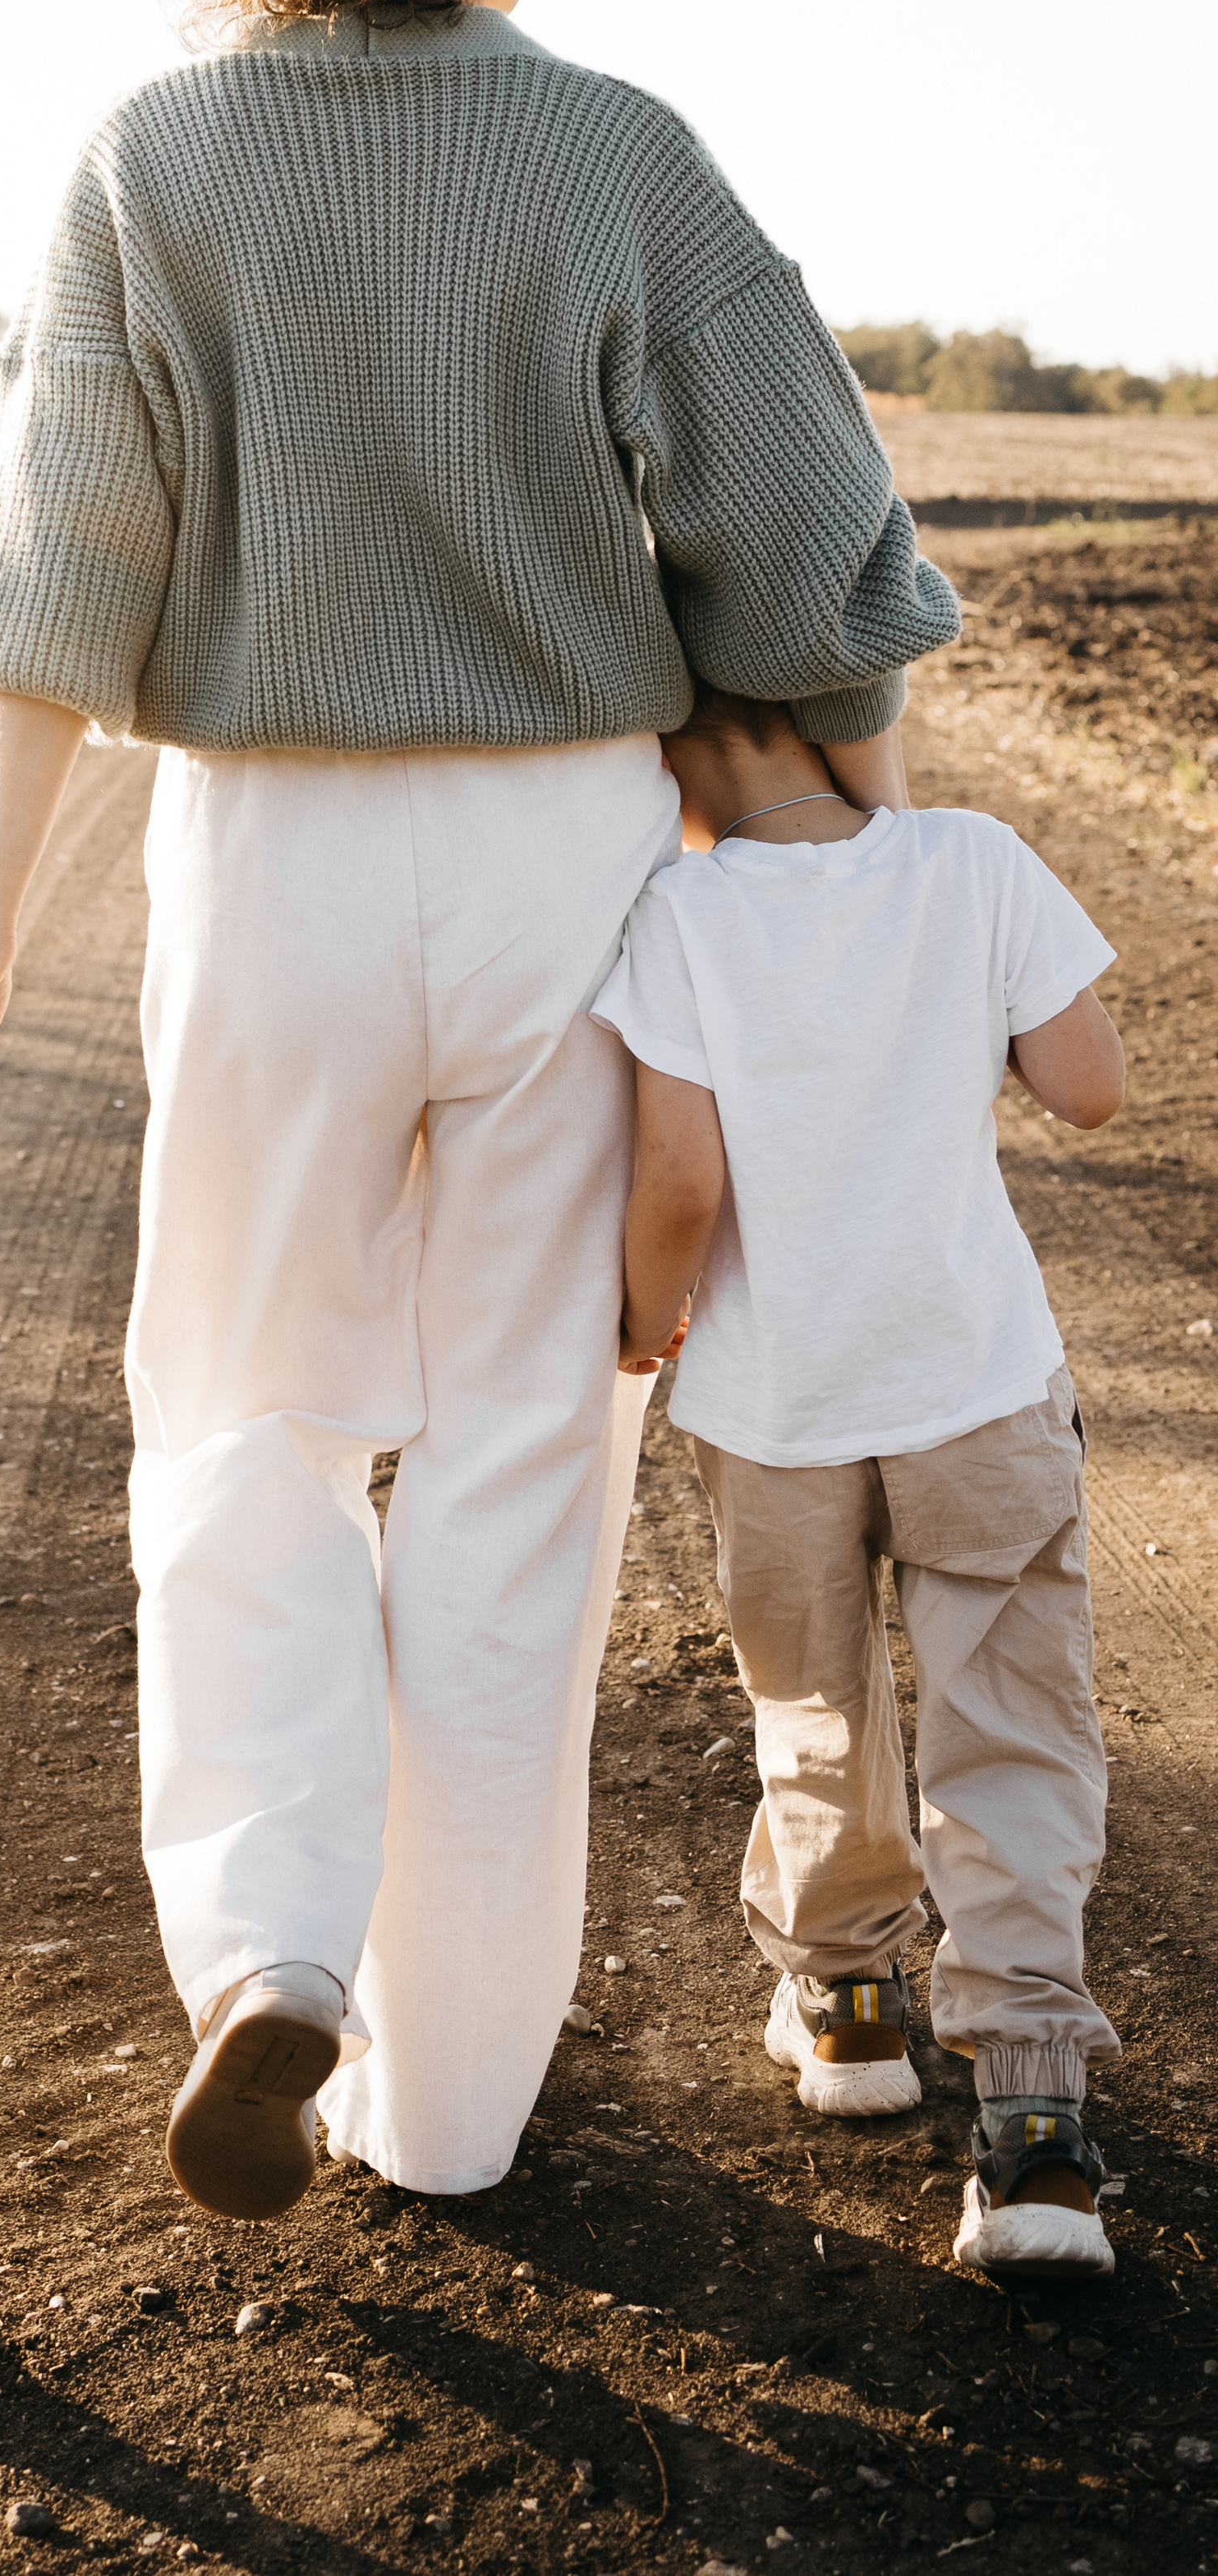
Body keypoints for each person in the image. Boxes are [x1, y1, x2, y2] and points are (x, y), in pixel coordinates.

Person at [0, 0, 960, 2216]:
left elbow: (60, 578)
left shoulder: (155, 151)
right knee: (518, 1465)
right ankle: (450, 2104)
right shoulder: (617, 149)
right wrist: (865, 900)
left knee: (243, 1418)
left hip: (261, 853)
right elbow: (815, 565)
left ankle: (271, 1940)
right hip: (567, 859)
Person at [599, 685, 1124, 2277]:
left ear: (673, 744)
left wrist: (637, 1325)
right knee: (1010, 1726)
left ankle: (845, 2005)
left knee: (810, 1692)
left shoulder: (676, 911)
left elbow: (680, 1176)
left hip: (775, 1408)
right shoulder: (967, 860)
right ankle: (1031, 2131)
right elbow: (1087, 1082)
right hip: (972, 1377)